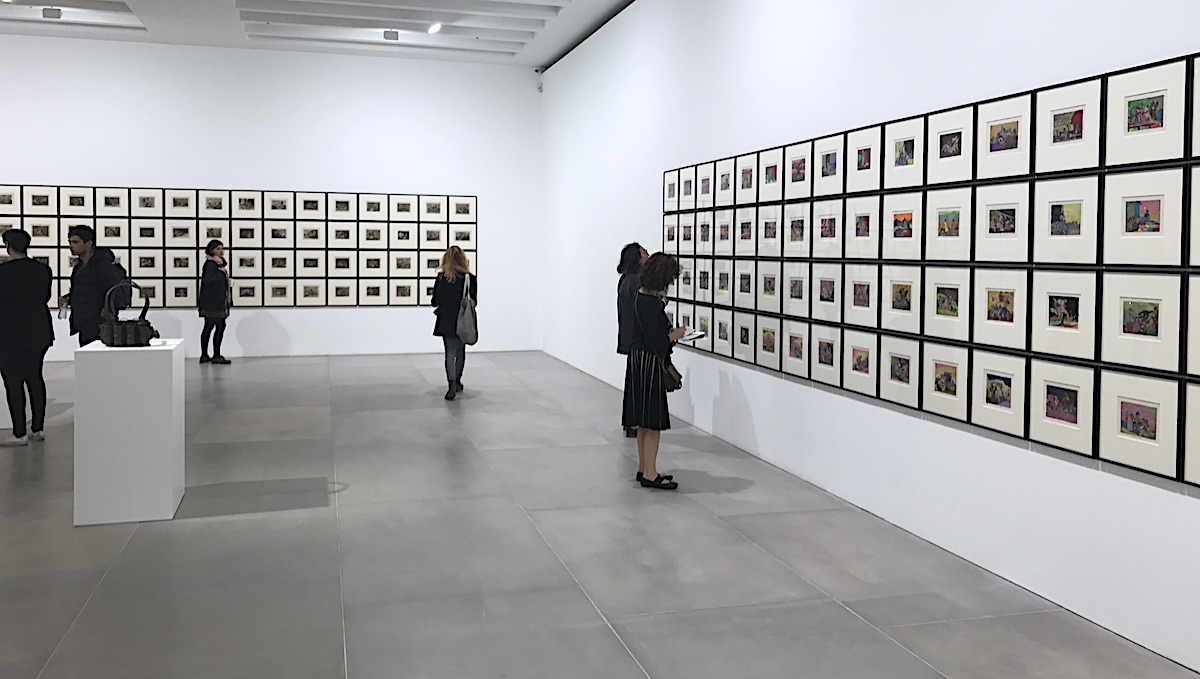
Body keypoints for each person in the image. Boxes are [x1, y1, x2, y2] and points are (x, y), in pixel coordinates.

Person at [623, 252, 686, 490]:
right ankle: (650, 473)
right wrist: (674, 335)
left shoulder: (642, 296)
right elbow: (656, 342)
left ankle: (644, 468)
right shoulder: (649, 302)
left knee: (643, 421)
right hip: (649, 363)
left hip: (639, 361)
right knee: (652, 422)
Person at [0, 229, 54, 446]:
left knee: (13, 381)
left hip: (9, 331)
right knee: (35, 377)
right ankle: (37, 428)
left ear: (8, 246)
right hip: (38, 328)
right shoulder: (42, 270)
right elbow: (45, 296)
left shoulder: (3, 272)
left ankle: (19, 432)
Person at [61, 225, 124, 347]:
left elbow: (111, 290)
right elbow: (86, 289)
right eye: (70, 242)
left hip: (99, 323)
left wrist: (106, 314)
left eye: (75, 242)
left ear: (89, 243)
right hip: (84, 321)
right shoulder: (79, 266)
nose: (71, 246)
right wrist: (69, 298)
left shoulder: (102, 265)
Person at [432, 246, 477, 401]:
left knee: (450, 353)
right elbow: (474, 300)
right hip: (462, 319)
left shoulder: (442, 278)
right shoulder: (469, 278)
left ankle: (451, 386)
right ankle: (457, 381)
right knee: (460, 351)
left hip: (446, 319)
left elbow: (435, 301)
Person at [616, 242, 649, 438]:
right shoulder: (634, 281)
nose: (648, 254)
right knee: (637, 383)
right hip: (637, 339)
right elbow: (642, 310)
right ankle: (634, 423)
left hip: (630, 338)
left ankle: (630, 422)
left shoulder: (626, 280)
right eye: (644, 252)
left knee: (633, 381)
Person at [198, 239, 232, 364]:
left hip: (213, 302)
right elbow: (208, 281)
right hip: (213, 303)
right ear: (211, 250)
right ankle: (215, 355)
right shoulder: (211, 264)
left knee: (209, 327)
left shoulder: (217, 264)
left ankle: (206, 355)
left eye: (222, 248)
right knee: (218, 326)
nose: (221, 251)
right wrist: (220, 274)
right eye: (218, 249)